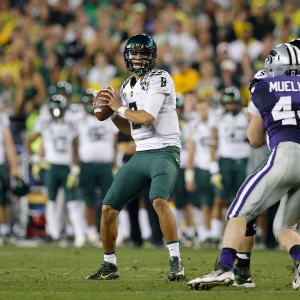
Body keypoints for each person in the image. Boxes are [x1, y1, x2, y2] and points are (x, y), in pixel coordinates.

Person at [188, 43, 300, 291]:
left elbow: (255, 139)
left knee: (238, 213)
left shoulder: (263, 85)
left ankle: (224, 268)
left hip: (286, 154)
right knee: (283, 227)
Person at [86, 33, 185, 281]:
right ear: (127, 57)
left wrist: (118, 106)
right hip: (141, 153)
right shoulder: (126, 86)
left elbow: (147, 118)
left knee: (158, 200)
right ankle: (110, 265)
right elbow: (132, 128)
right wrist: (109, 113)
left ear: (152, 56)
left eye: (143, 54)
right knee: (108, 208)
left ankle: (176, 261)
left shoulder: (160, 78)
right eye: (135, 54)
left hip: (164, 150)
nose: (139, 58)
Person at [24, 82, 87, 248]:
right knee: (51, 202)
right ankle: (53, 234)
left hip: (66, 167)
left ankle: (79, 233)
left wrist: (76, 166)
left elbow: (75, 146)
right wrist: (36, 159)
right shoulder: (46, 123)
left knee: (73, 202)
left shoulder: (71, 124)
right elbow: (31, 142)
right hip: (51, 166)